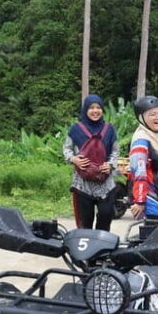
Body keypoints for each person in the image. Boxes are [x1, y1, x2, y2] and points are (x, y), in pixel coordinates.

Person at [63, 94, 119, 231]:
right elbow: (66, 148)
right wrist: (74, 159)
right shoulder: (76, 129)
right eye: (91, 108)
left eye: (98, 107)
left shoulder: (109, 129)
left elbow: (116, 151)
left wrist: (110, 165)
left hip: (105, 183)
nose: (95, 111)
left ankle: (103, 249)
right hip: (83, 184)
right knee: (85, 223)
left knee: (105, 217)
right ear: (85, 110)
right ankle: (85, 251)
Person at [129, 95, 158, 219]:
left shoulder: (155, 137)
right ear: (141, 118)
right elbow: (138, 171)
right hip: (151, 198)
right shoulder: (141, 140)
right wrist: (140, 201)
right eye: (153, 114)